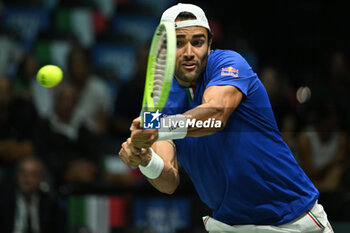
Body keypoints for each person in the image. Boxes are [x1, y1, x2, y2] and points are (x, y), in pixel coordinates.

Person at [119, 3, 334, 233]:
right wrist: (145, 160)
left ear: (210, 44)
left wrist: (161, 128)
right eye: (178, 43)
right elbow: (169, 181)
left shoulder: (229, 64)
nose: (189, 52)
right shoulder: (158, 105)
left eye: (198, 42)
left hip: (294, 221)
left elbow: (216, 113)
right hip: (230, 226)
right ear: (164, 50)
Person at [0, 156, 66, 233]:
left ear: (41, 178)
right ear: (16, 175)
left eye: (33, 175)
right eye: (23, 173)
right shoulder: (3, 199)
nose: (27, 179)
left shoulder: (49, 203)